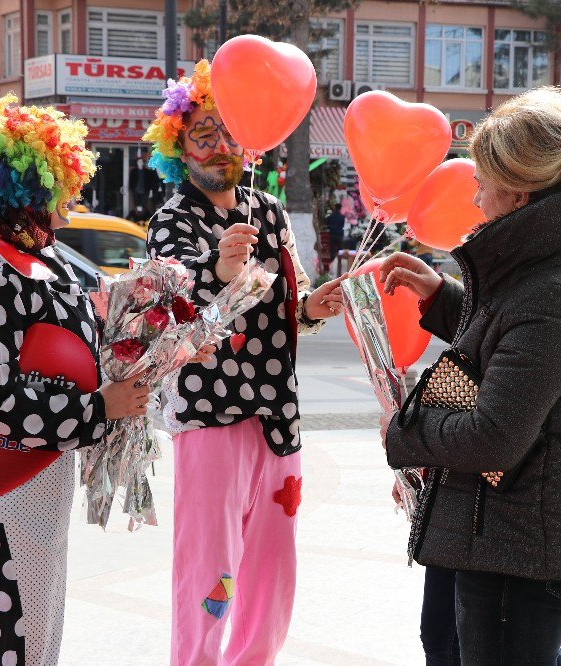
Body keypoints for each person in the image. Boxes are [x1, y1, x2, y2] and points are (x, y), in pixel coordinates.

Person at [0, 95, 201, 666]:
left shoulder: (35, 258)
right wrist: (102, 408)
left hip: (35, 479)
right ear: (27, 190)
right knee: (9, 637)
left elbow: (66, 349)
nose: (73, 198)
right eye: (63, 183)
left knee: (36, 628)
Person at [380, 86, 561, 665]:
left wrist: (403, 433)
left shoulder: (557, 291)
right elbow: (515, 346)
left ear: (518, 192)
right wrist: (444, 299)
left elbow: (494, 435)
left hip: (521, 547)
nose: (473, 191)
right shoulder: (552, 253)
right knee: (443, 644)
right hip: (494, 526)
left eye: (482, 180)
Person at [142, 60, 345, 665]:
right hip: (211, 413)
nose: (220, 144)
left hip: (277, 414)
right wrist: (220, 272)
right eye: (204, 131)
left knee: (273, 568)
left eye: (230, 129)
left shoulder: (270, 211)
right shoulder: (171, 220)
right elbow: (171, 309)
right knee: (210, 567)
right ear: (178, 142)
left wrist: (314, 305)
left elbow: (292, 302)